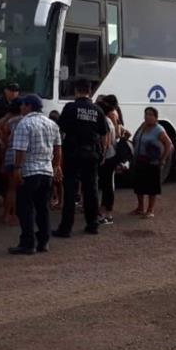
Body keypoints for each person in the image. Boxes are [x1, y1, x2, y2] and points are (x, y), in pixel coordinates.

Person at [53, 79, 109, 237]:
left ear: (76, 91)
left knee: (70, 190)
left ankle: (66, 229)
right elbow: (104, 134)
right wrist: (102, 152)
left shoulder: (70, 107)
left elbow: (61, 130)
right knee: (91, 190)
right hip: (91, 154)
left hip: (72, 153)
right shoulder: (97, 110)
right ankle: (92, 225)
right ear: (90, 92)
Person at [9, 94, 62, 255]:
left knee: (25, 208)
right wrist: (56, 166)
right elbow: (58, 148)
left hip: (29, 171)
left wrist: (17, 168)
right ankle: (43, 241)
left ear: (28, 106)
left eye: (22, 105)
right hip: (46, 171)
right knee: (43, 208)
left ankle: (28, 243)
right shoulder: (51, 124)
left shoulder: (24, 124)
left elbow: (20, 149)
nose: (20, 108)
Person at [131, 107, 173, 218]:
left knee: (151, 187)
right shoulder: (143, 126)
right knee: (139, 186)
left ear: (156, 117)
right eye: (146, 114)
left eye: (150, 115)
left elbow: (168, 144)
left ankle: (150, 210)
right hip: (140, 160)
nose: (147, 117)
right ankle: (140, 208)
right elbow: (135, 138)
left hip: (152, 162)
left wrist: (162, 159)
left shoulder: (159, 130)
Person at [97, 103, 124, 226]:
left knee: (107, 186)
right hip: (111, 156)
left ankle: (105, 213)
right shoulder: (110, 121)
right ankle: (107, 212)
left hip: (107, 157)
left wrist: (102, 156)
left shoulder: (105, 122)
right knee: (108, 185)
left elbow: (106, 142)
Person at [0, 98, 23, 225]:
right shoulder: (25, 120)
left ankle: (6, 214)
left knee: (10, 188)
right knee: (18, 188)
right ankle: (14, 215)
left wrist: (2, 160)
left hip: (9, 155)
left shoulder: (8, 121)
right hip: (20, 156)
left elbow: (4, 141)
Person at [48, 110, 64, 209]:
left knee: (53, 181)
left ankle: (51, 201)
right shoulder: (61, 130)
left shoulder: (50, 129)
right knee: (58, 181)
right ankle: (59, 202)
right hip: (60, 156)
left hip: (52, 156)